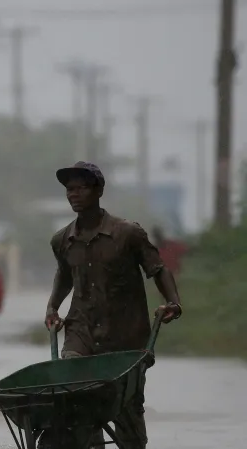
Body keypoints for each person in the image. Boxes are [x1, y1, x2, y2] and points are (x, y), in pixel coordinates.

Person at [42, 161, 183, 449]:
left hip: (125, 337)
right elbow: (65, 275)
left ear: (99, 191)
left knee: (128, 414)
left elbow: (157, 268)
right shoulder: (62, 240)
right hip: (80, 333)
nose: (73, 194)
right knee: (76, 399)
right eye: (69, 189)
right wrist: (53, 306)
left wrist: (173, 301)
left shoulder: (127, 233)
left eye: (81, 188)